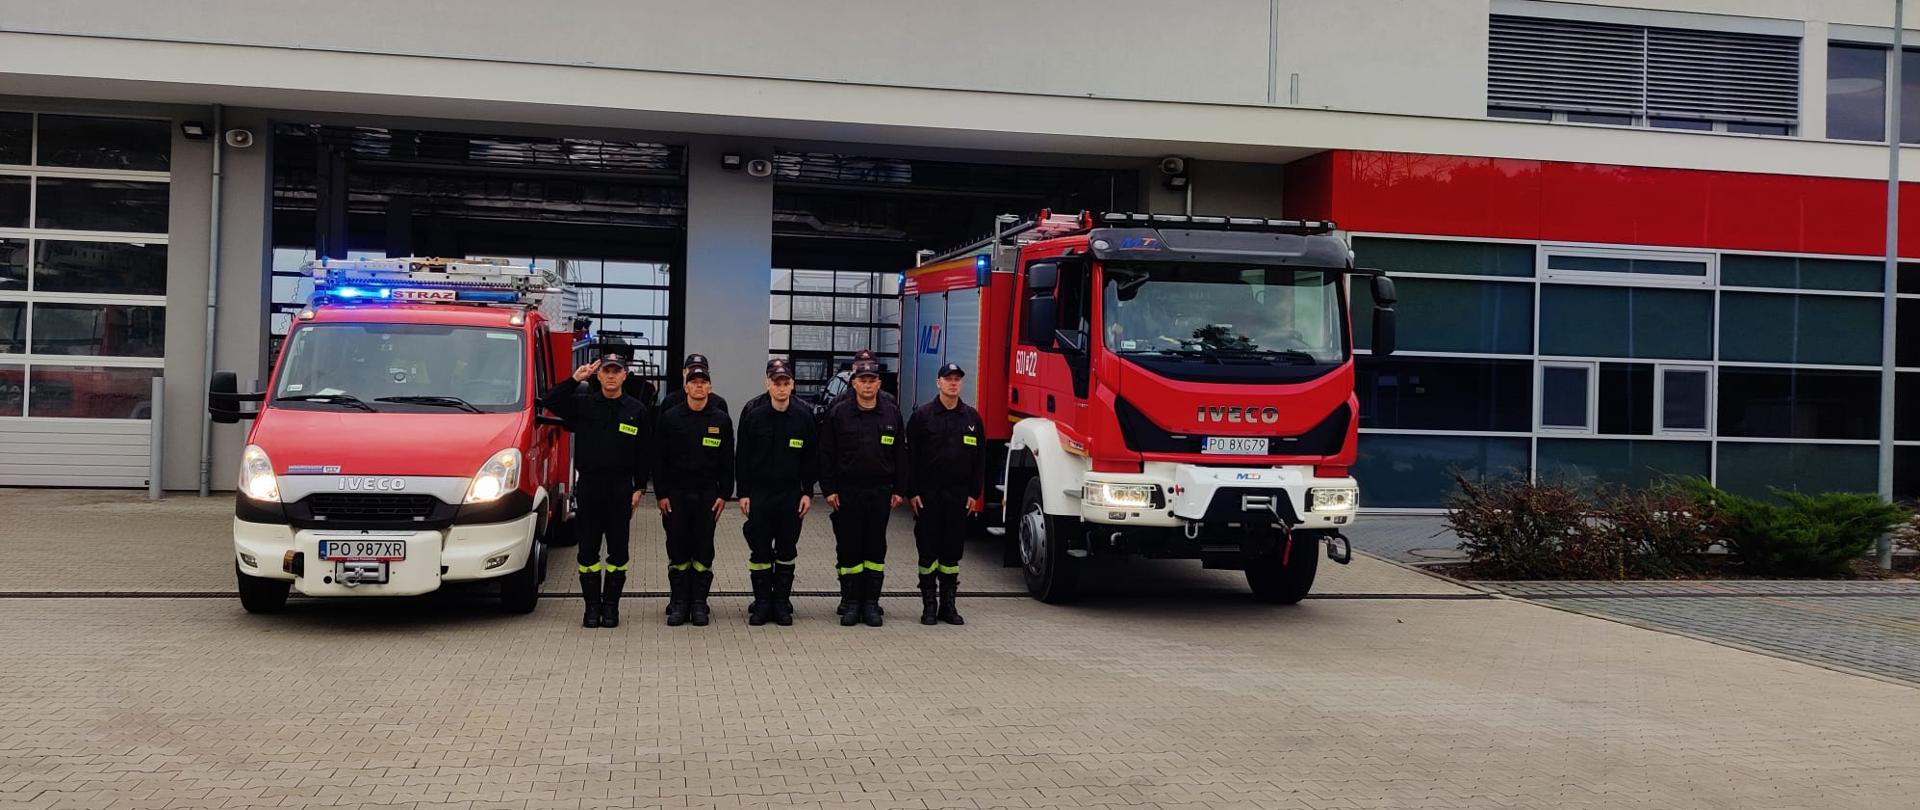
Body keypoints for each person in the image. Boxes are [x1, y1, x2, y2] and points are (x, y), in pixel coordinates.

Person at [539, 352, 650, 629]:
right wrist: (575, 379)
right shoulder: (584, 404)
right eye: (606, 371)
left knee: (618, 552)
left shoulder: (636, 410)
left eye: (616, 371)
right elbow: (550, 401)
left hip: (621, 489)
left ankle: (610, 607)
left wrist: (639, 488)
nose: (611, 376)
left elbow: (644, 452)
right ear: (598, 375)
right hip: (590, 487)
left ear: (625, 375)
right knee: (588, 551)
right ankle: (591, 607)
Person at [818, 355, 905, 627]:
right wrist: (829, 489)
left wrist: (899, 489)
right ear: (854, 383)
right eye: (862, 380)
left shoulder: (891, 413)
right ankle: (851, 603)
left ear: (879, 384)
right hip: (848, 491)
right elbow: (826, 453)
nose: (867, 385)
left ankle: (871, 604)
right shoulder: (839, 413)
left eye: (872, 380)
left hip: (880, 491)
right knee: (850, 547)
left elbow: (901, 454)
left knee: (875, 548)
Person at [734, 357, 817, 626]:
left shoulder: (803, 416)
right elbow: (742, 456)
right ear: (767, 383)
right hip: (759, 494)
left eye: (785, 383)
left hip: (790, 495)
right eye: (776, 383)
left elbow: (811, 458)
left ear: (792, 384)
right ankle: (762, 603)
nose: (781, 388)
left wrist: (807, 492)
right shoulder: (753, 414)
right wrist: (743, 493)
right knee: (759, 551)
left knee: (786, 550)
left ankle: (781, 604)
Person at [653, 357, 733, 627]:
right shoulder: (670, 418)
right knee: (678, 549)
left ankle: (699, 603)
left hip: (707, 496)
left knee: (703, 550)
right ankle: (679, 603)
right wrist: (661, 494)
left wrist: (724, 494)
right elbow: (659, 459)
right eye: (694, 382)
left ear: (710, 387)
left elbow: (728, 460)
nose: (699, 386)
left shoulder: (721, 420)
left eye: (703, 382)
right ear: (686, 387)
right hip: (676, 495)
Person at [906, 362, 985, 626]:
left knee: (952, 553)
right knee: (928, 552)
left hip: (958, 496)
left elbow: (980, 460)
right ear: (938, 383)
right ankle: (929, 605)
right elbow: (911, 457)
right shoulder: (922, 417)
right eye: (948, 379)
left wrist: (974, 493)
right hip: (928, 496)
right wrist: (912, 492)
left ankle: (948, 606)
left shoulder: (971, 418)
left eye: (957, 379)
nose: (953, 383)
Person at [660, 352, 729, 415]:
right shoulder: (670, 401)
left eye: (702, 369)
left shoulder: (718, 403)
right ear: (684, 372)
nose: (697, 372)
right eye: (692, 369)